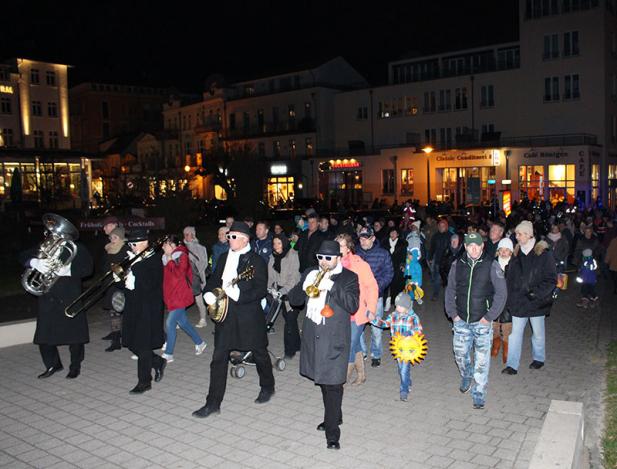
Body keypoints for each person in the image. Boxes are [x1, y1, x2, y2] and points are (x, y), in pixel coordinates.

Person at [193, 222, 275, 418]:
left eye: (234, 236)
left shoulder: (256, 261)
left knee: (259, 352)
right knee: (218, 357)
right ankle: (213, 403)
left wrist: (238, 294)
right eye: (229, 236)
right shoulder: (222, 258)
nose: (230, 239)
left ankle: (268, 386)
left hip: (248, 315)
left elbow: (260, 289)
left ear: (245, 239)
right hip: (225, 316)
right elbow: (213, 280)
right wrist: (208, 295)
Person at [288, 240, 360, 450]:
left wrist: (332, 286)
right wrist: (303, 286)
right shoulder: (311, 272)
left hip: (335, 338)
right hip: (314, 336)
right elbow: (295, 301)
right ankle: (334, 416)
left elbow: (352, 305)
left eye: (328, 258)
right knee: (323, 380)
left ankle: (332, 434)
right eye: (320, 258)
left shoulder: (348, 277)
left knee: (333, 385)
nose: (324, 262)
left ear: (338, 258)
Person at [445, 232, 508, 409]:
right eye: (469, 245)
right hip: (461, 320)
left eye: (476, 245)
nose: (473, 248)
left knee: (481, 360)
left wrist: (489, 317)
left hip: (482, 322)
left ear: (482, 246)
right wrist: (453, 314)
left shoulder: (491, 265)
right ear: (465, 247)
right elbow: (450, 290)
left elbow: (502, 294)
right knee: (460, 354)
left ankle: (479, 392)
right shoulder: (457, 265)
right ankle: (466, 373)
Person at [24, 228, 93, 379]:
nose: (53, 235)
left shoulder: (77, 248)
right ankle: (52, 364)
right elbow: (22, 255)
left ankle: (75, 366)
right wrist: (34, 262)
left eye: (57, 233)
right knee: (44, 335)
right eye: (52, 233)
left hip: (69, 297)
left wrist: (67, 270)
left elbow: (88, 269)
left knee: (75, 336)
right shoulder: (45, 247)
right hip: (47, 297)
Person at [502, 221, 557, 375]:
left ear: (529, 234)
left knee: (538, 333)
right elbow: (510, 279)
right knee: (515, 335)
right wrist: (509, 298)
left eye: (520, 234)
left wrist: (536, 293)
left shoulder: (543, 253)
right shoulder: (516, 253)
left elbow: (551, 279)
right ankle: (512, 365)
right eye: (517, 234)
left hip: (535, 302)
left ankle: (538, 358)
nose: (517, 237)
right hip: (519, 301)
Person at [121, 229, 166, 394]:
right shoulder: (133, 259)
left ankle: (144, 381)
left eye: (134, 244)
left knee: (143, 344)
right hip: (133, 306)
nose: (132, 247)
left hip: (149, 308)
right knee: (131, 342)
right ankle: (156, 361)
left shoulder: (153, 259)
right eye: (130, 244)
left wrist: (134, 265)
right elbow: (125, 285)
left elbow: (149, 285)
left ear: (144, 243)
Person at [336, 233, 378, 386]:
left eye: (341, 245)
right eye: (337, 245)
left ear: (348, 248)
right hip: (340, 313)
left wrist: (371, 308)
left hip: (357, 312)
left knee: (349, 344)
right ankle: (361, 375)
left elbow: (372, 287)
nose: (338, 248)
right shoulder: (334, 264)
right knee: (356, 344)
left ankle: (342, 378)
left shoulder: (360, 264)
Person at [160, 235, 207, 362]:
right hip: (172, 296)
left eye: (165, 244)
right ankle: (200, 343)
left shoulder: (182, 256)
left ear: (172, 245)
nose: (163, 246)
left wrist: (170, 258)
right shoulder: (165, 258)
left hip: (181, 295)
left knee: (170, 323)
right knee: (183, 322)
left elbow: (178, 274)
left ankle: (169, 353)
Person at [369, 292, 423, 401]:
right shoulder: (393, 316)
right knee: (401, 369)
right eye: (397, 305)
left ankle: (404, 390)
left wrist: (410, 333)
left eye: (400, 305)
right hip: (398, 348)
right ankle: (407, 380)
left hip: (408, 349)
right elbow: (384, 324)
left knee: (404, 369)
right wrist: (373, 319)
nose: (397, 307)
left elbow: (419, 331)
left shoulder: (413, 317)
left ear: (406, 306)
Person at [357, 226, 394, 368]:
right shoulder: (356, 253)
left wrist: (376, 287)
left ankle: (376, 354)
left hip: (376, 297)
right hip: (359, 297)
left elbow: (389, 273)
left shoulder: (383, 254)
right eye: (361, 238)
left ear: (373, 238)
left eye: (366, 238)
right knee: (358, 326)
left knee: (376, 328)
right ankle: (362, 352)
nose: (363, 241)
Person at [267, 233, 301, 358]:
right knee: (289, 319)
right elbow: (270, 275)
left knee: (290, 320)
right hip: (278, 291)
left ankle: (289, 351)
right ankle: (298, 345)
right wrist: (270, 288)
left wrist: (284, 290)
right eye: (274, 243)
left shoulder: (292, 254)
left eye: (279, 243)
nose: (276, 246)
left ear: (284, 243)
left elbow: (294, 276)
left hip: (292, 291)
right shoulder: (273, 256)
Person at [102, 226, 130, 352]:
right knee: (114, 313)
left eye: (115, 237)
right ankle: (115, 340)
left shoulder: (125, 249)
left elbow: (127, 267)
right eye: (111, 237)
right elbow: (103, 266)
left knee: (123, 311)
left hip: (121, 285)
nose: (112, 240)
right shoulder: (108, 249)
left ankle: (126, 337)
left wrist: (118, 272)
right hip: (111, 285)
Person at [491, 238, 514, 364]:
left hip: (509, 300)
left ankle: (506, 349)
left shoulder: (514, 265)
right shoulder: (493, 264)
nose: (504, 252)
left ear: (511, 252)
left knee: (507, 326)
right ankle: (496, 345)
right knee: (494, 325)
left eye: (507, 250)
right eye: (501, 250)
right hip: (495, 298)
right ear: (498, 251)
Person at [183, 226, 209, 328]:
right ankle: (180, 319)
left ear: (193, 235)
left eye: (188, 234)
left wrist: (194, 270)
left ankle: (203, 319)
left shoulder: (201, 248)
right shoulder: (181, 247)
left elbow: (204, 262)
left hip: (197, 277)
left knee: (199, 299)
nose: (186, 236)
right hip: (184, 278)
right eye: (185, 234)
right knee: (182, 299)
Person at [382, 227, 407, 311]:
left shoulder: (402, 244)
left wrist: (403, 265)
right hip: (386, 267)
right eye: (391, 232)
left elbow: (404, 256)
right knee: (386, 286)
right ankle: (387, 302)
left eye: (395, 233)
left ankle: (396, 303)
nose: (392, 234)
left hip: (397, 267)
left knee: (397, 286)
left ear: (398, 234)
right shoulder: (384, 243)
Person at [428, 219, 451, 301]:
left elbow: (453, 248)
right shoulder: (435, 236)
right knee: (436, 278)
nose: (441, 228)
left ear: (446, 227)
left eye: (443, 226)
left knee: (448, 279)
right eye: (440, 226)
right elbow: (432, 248)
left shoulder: (450, 236)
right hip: (437, 261)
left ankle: (449, 296)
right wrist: (430, 257)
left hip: (447, 262)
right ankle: (436, 293)